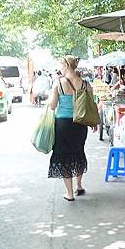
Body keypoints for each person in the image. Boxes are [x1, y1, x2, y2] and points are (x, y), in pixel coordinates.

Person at [47, 55, 98, 201]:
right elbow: (92, 106)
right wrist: (94, 122)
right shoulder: (86, 84)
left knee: (64, 156)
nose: (59, 69)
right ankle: (79, 185)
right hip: (80, 124)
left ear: (66, 66)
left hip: (63, 125)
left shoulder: (58, 84)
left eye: (60, 66)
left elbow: (52, 105)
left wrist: (49, 99)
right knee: (78, 152)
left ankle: (69, 193)